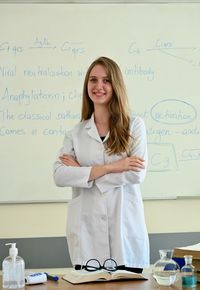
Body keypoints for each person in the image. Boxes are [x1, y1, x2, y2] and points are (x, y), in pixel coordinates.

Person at [53, 56, 149, 273]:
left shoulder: (134, 126)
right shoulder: (76, 133)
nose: (99, 86)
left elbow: (136, 175)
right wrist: (113, 167)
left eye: (106, 80)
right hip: (87, 238)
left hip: (125, 235)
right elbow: (59, 175)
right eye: (93, 80)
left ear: (116, 85)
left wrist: (83, 173)